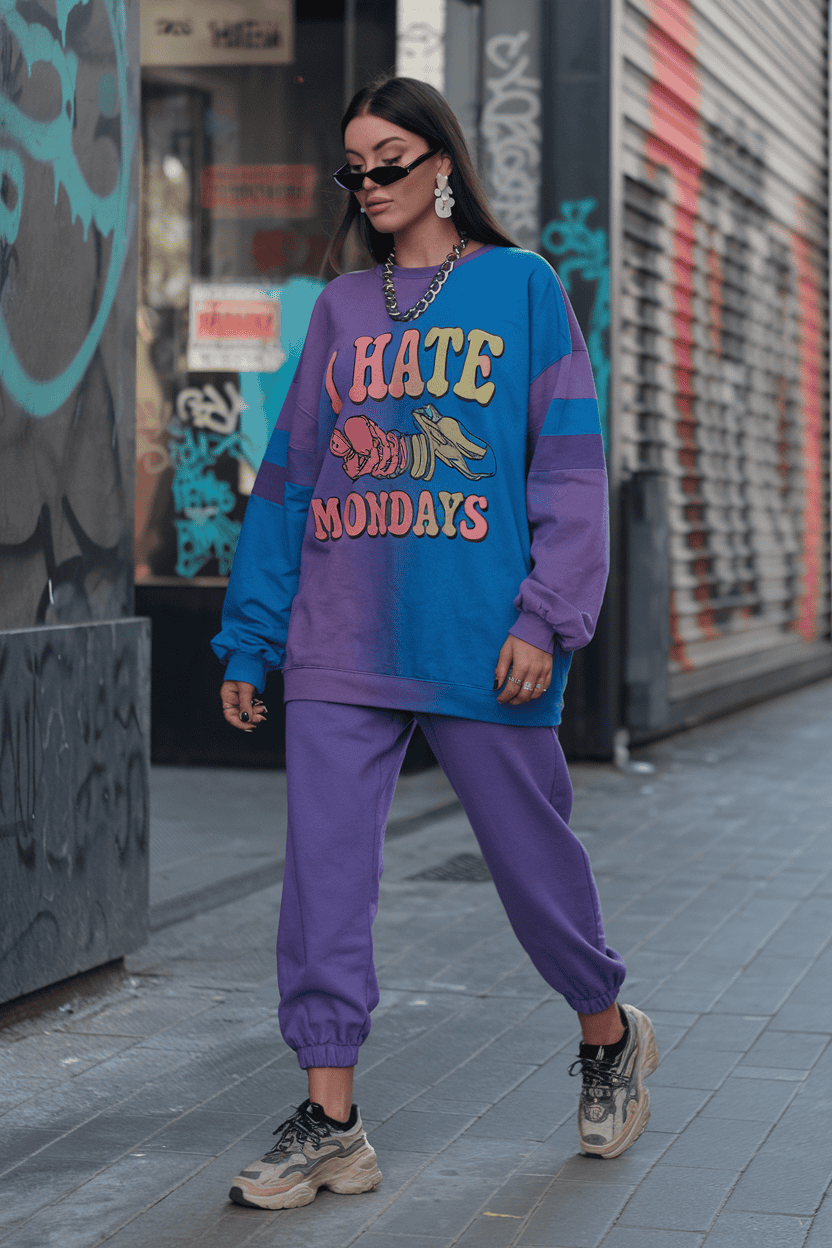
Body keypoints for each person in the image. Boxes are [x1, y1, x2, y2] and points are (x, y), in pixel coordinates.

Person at [212, 76, 658, 1211]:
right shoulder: (340, 311)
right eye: (352, 167)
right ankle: (332, 1119)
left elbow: (565, 467)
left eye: (388, 160)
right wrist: (248, 640)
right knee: (320, 884)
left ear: (442, 165)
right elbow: (289, 484)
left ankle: (607, 1032)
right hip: (340, 638)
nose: (368, 184)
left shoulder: (519, 288)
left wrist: (544, 619)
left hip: (480, 638)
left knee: (530, 863)